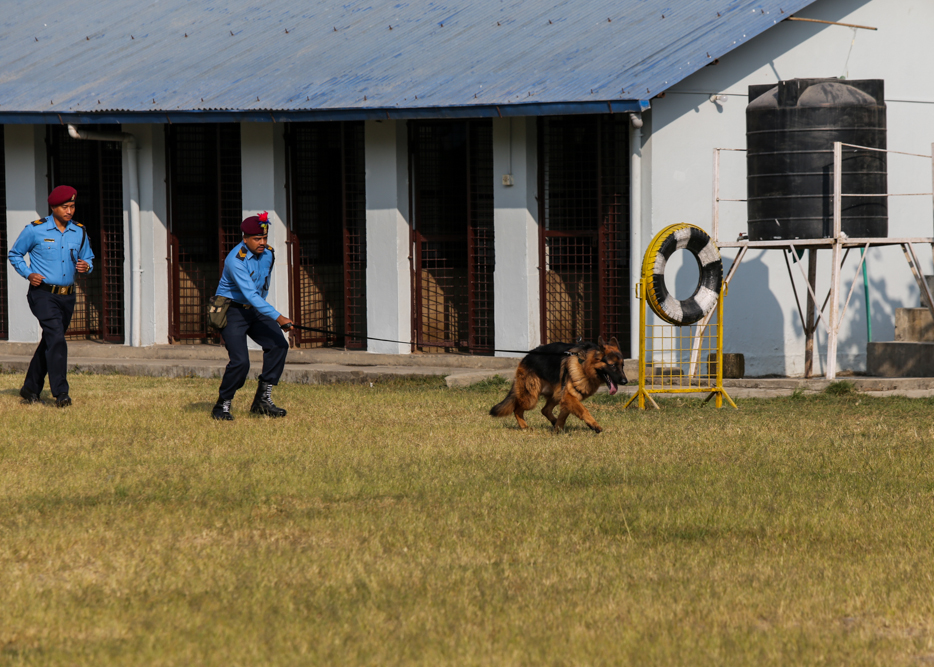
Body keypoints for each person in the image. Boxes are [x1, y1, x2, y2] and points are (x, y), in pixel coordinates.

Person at [8, 185, 94, 407]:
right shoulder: (35, 230)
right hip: (43, 295)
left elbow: (89, 258)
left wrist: (87, 266)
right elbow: (15, 253)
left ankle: (30, 389)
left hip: (68, 296)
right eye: (65, 207)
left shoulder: (80, 231)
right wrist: (28, 274)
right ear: (53, 207)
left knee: (51, 340)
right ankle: (61, 393)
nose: (69, 211)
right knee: (56, 338)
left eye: (72, 206)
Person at [211, 211, 292, 420]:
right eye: (257, 239)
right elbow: (250, 294)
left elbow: (261, 287)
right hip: (232, 310)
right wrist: (278, 317)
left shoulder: (269, 254)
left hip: (255, 308)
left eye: (264, 238)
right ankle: (222, 405)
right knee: (240, 362)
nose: (262, 242)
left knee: (279, 345)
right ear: (245, 238)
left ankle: (262, 401)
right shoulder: (235, 260)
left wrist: (270, 317)